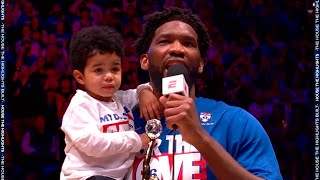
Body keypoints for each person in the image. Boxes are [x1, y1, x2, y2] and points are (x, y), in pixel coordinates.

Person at [126, 7, 283, 179]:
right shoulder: (122, 120)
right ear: (145, 61)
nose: (177, 49)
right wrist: (142, 90)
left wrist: (200, 138)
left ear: (200, 64)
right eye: (164, 42)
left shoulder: (235, 122)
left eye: (188, 43)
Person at [60, 25, 160, 180]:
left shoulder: (122, 98)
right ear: (80, 77)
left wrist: (144, 92)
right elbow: (94, 145)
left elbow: (142, 88)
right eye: (99, 70)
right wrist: (138, 140)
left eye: (114, 69)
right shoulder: (80, 106)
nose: (109, 76)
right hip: (86, 177)